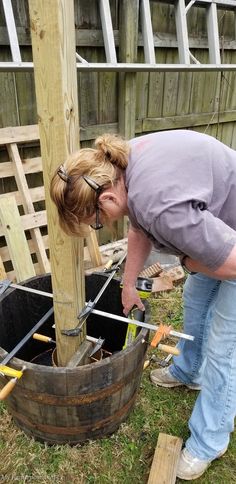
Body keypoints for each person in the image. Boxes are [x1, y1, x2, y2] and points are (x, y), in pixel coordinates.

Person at [50, 129, 236, 480]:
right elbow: (137, 227)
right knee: (196, 305)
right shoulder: (120, 165)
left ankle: (210, 441)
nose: (100, 226)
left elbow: (229, 260)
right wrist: (130, 283)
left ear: (104, 199)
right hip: (218, 220)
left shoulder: (159, 204)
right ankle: (188, 371)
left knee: (224, 348)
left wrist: (192, 261)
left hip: (233, 243)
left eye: (96, 222)